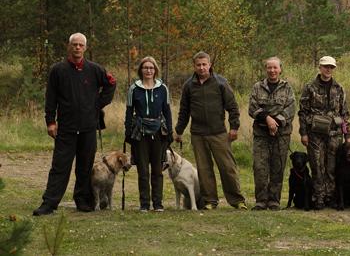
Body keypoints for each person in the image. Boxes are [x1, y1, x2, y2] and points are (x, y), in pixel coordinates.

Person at [33, 33, 116, 216]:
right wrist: (50, 121)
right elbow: (51, 98)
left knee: (84, 167)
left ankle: (84, 201)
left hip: (88, 127)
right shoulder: (58, 70)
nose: (77, 47)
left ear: (85, 48)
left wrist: (97, 103)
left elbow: (111, 83)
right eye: (74, 44)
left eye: (81, 45)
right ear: (69, 46)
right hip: (66, 128)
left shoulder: (94, 69)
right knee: (60, 166)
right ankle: (49, 203)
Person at [174, 51, 247, 210]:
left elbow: (232, 107)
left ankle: (237, 200)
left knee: (228, 167)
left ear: (210, 65)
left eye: (204, 64)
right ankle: (210, 201)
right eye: (198, 65)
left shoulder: (221, 82)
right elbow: (184, 111)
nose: (201, 68)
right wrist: (178, 131)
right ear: (194, 66)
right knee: (204, 169)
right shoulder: (189, 85)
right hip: (198, 134)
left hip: (219, 133)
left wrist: (234, 127)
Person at [298, 55, 350, 210]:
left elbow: (344, 114)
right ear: (320, 67)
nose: (328, 69)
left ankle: (331, 196)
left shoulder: (339, 88)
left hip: (335, 135)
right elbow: (303, 112)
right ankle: (319, 197)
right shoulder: (310, 87)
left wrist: (347, 136)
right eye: (326, 66)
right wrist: (303, 133)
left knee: (332, 167)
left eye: (331, 67)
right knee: (317, 166)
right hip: (315, 134)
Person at [124, 56, 173, 212]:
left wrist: (169, 132)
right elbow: (129, 112)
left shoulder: (162, 88)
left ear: (155, 70)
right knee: (143, 170)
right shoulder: (134, 89)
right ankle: (144, 204)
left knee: (157, 170)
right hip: (140, 133)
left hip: (159, 132)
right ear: (141, 70)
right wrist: (128, 133)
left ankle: (158, 204)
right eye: (145, 67)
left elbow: (167, 111)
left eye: (151, 68)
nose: (148, 70)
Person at [248, 57, 296, 211]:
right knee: (260, 167)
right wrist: (267, 119)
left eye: (275, 68)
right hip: (261, 135)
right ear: (266, 69)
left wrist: (276, 123)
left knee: (278, 167)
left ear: (280, 69)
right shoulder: (257, 87)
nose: (272, 71)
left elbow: (290, 109)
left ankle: (274, 201)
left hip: (281, 135)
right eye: (269, 68)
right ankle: (261, 201)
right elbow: (252, 107)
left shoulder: (287, 88)